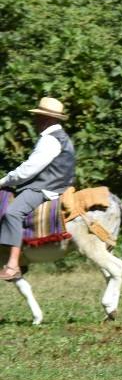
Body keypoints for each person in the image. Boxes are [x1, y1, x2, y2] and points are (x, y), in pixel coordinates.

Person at [0, 97, 76, 281]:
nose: (35, 121)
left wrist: (3, 181)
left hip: (44, 188)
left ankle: (13, 265)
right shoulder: (61, 137)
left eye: (38, 117)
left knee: (12, 213)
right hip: (54, 185)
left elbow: (28, 170)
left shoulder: (50, 140)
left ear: (46, 119)